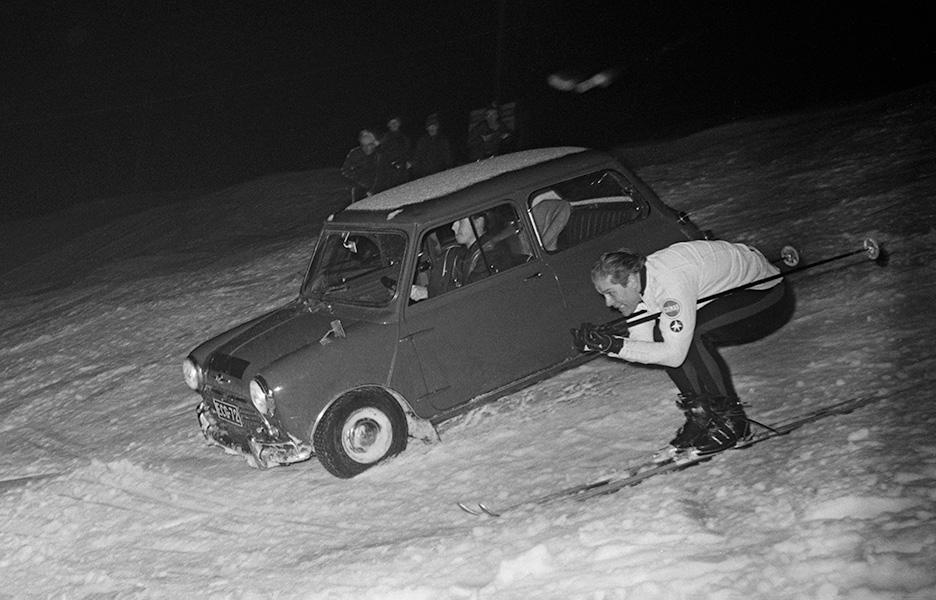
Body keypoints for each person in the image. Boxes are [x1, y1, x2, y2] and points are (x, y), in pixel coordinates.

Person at [573, 240, 795, 457]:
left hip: (769, 294)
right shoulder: (642, 284)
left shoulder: (670, 283)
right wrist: (605, 346)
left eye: (611, 293)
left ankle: (733, 422)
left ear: (630, 281)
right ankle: (703, 415)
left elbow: (673, 356)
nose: (608, 304)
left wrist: (614, 345)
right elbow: (645, 346)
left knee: (694, 334)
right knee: (670, 334)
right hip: (732, 293)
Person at [410, 209, 524, 301]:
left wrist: (428, 293)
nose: (453, 227)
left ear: (479, 222)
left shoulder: (489, 254)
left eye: (460, 221)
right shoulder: (465, 252)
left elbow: (471, 294)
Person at [341, 130, 383, 203]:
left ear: (374, 144)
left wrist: (373, 190)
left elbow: (383, 175)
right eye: (363, 145)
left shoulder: (379, 156)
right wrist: (359, 180)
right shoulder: (355, 154)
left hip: (378, 190)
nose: (367, 148)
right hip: (358, 190)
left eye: (369, 145)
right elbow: (345, 170)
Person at [410, 113, 455, 178]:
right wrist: (416, 172)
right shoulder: (422, 141)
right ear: (427, 128)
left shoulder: (443, 141)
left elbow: (447, 155)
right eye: (430, 126)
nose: (432, 128)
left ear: (438, 127)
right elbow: (417, 156)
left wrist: (449, 167)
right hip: (424, 174)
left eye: (434, 126)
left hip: (439, 173)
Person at [378, 115, 411, 188]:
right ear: (388, 125)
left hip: (403, 171)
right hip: (389, 172)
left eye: (395, 122)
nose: (394, 125)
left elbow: (408, 151)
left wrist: (409, 161)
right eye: (391, 123)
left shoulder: (404, 137)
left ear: (399, 123)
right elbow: (382, 154)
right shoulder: (384, 138)